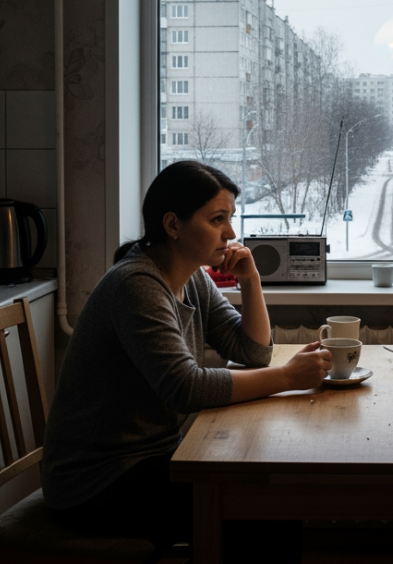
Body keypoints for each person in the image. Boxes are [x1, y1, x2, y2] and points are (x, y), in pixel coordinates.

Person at [42, 161, 332, 543]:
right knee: (264, 506)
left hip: (152, 457)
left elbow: (252, 351)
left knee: (268, 496)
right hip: (97, 480)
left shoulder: (191, 276)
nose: (231, 233)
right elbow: (186, 388)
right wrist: (288, 377)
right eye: (217, 220)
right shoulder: (137, 285)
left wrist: (251, 281)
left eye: (230, 218)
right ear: (173, 225)